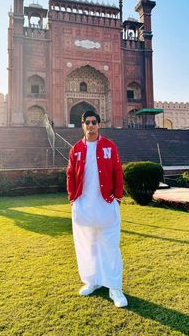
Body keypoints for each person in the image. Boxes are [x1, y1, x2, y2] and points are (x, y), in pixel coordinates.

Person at [66, 110, 128, 308]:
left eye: (94, 122)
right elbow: (70, 174)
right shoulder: (76, 148)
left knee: (110, 245)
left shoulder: (109, 146)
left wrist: (117, 197)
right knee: (87, 245)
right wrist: (72, 199)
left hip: (106, 203)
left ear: (99, 124)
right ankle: (91, 281)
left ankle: (114, 288)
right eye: (87, 122)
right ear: (82, 125)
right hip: (83, 204)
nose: (91, 125)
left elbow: (118, 172)